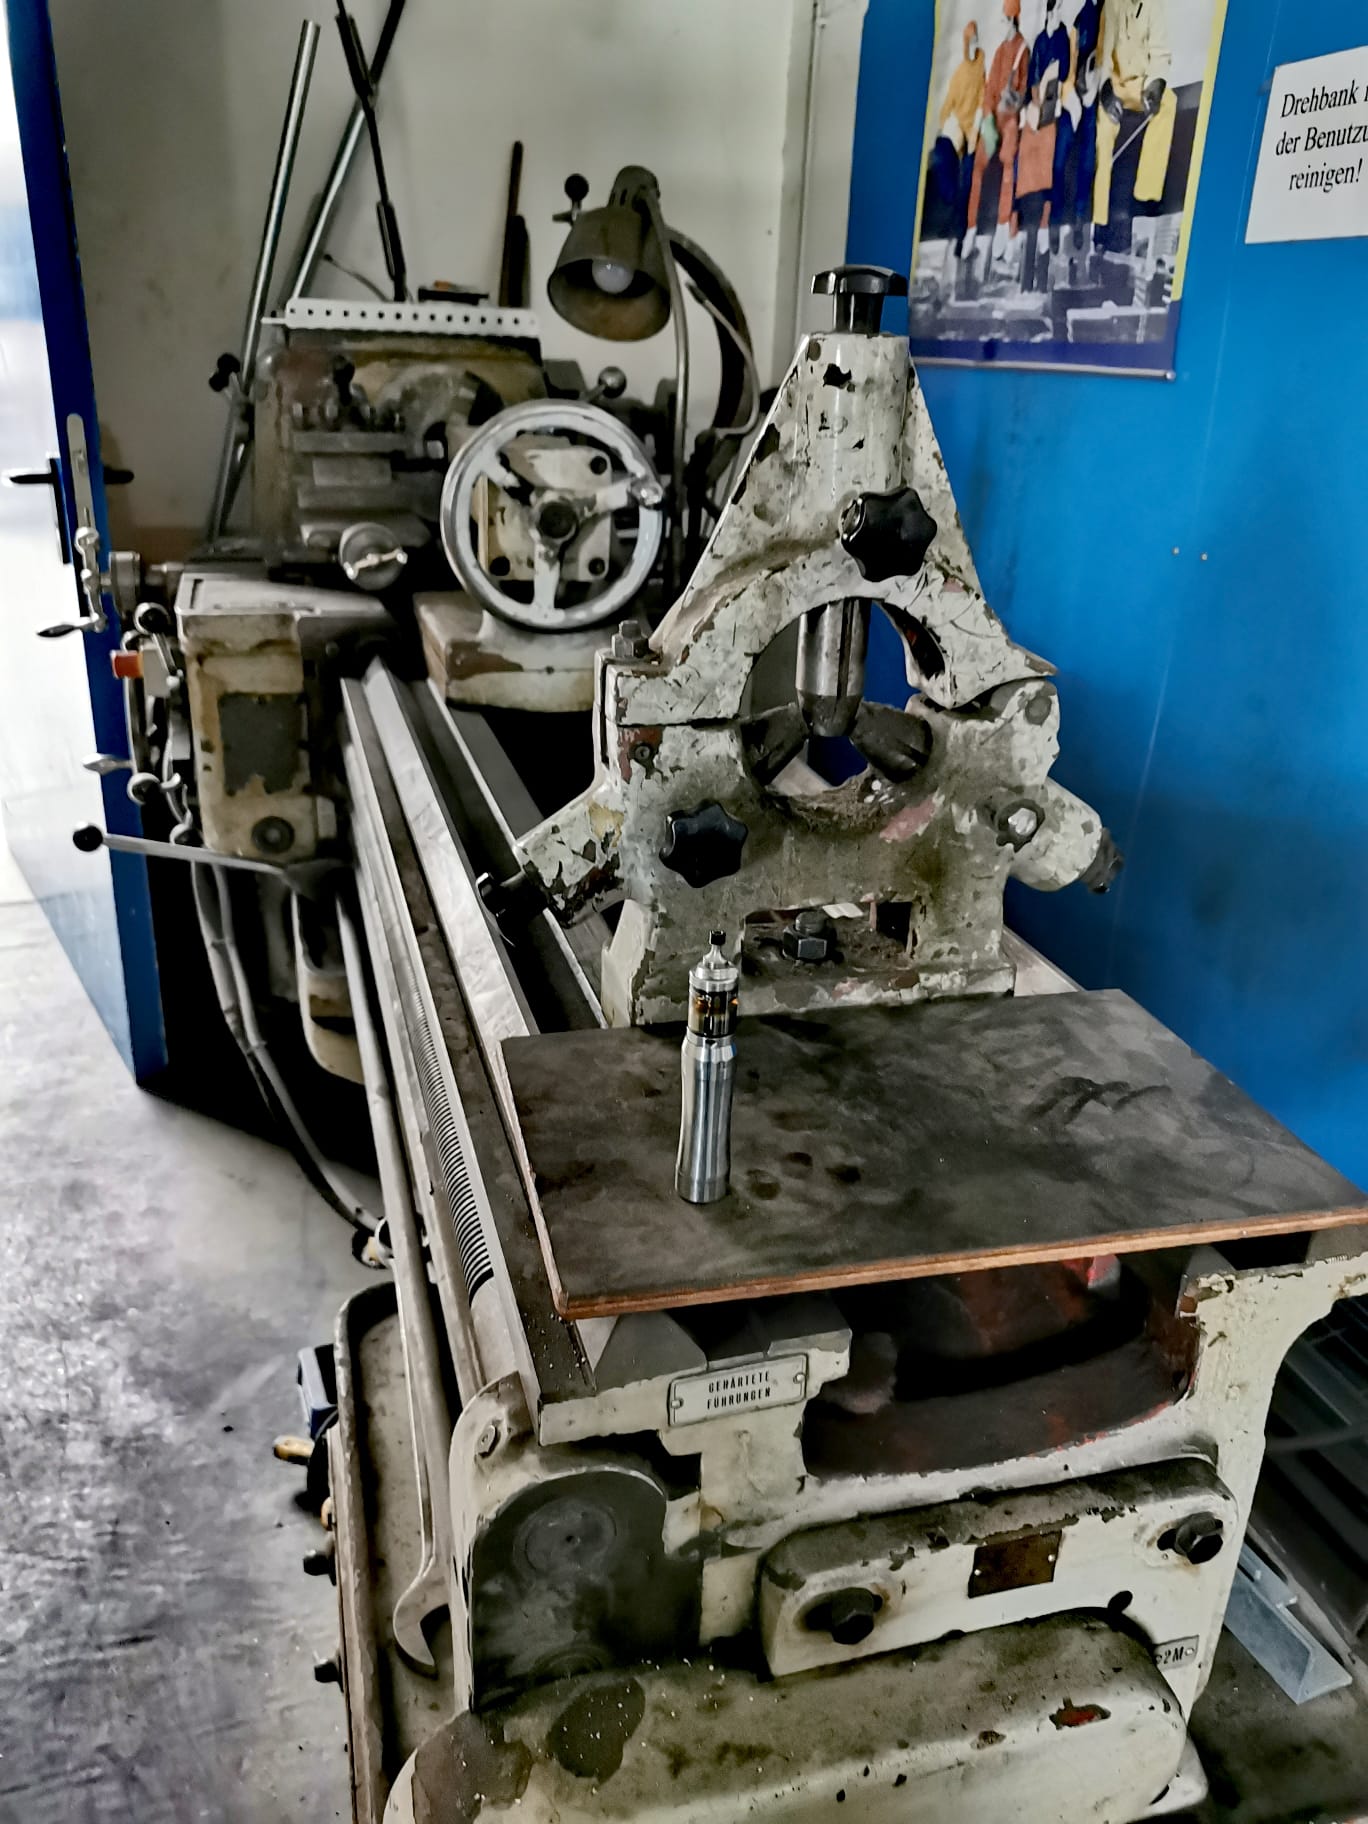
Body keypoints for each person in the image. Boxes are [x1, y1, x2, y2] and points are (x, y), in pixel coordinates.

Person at [1093, 0, 1177, 249]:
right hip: (1116, 86)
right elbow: (1103, 55)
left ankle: (1146, 192)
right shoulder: (1111, 5)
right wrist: (1106, 89)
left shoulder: (1154, 6)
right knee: (1103, 127)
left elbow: (1160, 54)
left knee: (1169, 102)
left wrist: (1155, 85)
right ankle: (1099, 214)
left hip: (1140, 86)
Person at [966, 0, 1030, 263]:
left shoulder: (1023, 50)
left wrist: (1012, 102)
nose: (1002, 24)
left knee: (1008, 165)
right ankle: (971, 227)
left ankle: (1003, 225)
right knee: (978, 166)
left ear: (1012, 20)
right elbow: (989, 88)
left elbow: (1024, 91)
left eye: (1004, 20)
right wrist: (988, 117)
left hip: (1011, 119)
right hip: (994, 118)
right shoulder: (1000, 51)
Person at [1014, 0, 1072, 287]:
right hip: (1036, 108)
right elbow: (1031, 78)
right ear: (1049, 10)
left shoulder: (1063, 37)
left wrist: (1055, 101)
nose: (1058, 12)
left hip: (1053, 108)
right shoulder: (1040, 39)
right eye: (1055, 7)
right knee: (1030, 206)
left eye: (1061, 7)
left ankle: (1040, 279)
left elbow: (1065, 73)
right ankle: (1025, 280)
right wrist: (1029, 106)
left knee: (1046, 206)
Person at [926, 19, 985, 249]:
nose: (973, 46)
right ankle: (949, 210)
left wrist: (973, 130)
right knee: (942, 155)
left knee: (968, 175)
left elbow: (982, 100)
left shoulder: (981, 66)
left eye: (975, 40)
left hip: (972, 131)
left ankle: (960, 230)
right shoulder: (960, 73)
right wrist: (949, 126)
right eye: (970, 42)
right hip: (957, 130)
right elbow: (947, 107)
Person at [1052, 0, 1104, 244]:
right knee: (1060, 152)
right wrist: (1071, 94)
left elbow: (1107, 55)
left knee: (1088, 156)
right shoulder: (1078, 17)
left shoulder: (1108, 13)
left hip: (1095, 94)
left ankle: (1080, 217)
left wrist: (1095, 86)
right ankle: (1055, 216)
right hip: (1073, 95)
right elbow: (1068, 64)